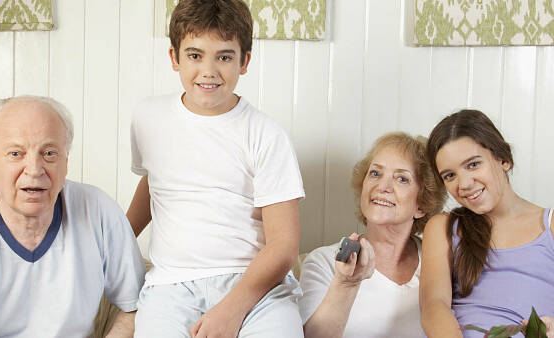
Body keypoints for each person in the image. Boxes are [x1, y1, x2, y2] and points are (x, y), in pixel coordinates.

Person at [127, 0, 305, 337]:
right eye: (195, 55)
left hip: (255, 285)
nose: (209, 71)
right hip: (170, 285)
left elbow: (283, 246)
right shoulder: (147, 118)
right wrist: (116, 242)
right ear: (174, 58)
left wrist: (232, 309)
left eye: (224, 56)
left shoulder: (266, 135)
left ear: (244, 62)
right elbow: (155, 183)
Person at [0, 96, 145, 338]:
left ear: (65, 162)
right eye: (15, 153)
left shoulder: (97, 209)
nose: (34, 170)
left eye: (49, 153)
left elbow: (138, 306)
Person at [420, 109, 554, 337]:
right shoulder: (444, 226)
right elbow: (434, 305)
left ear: (503, 159)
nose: (464, 184)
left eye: (472, 165)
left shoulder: (549, 225)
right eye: (449, 175)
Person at [298, 132, 447, 338]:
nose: (382, 187)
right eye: (375, 174)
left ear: (422, 204)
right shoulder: (322, 262)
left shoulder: (439, 261)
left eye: (402, 179)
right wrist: (346, 284)